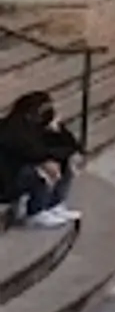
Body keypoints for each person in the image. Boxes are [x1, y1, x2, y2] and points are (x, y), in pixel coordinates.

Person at [1, 92, 80, 231]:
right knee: (41, 169)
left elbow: (72, 147)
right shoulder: (12, 128)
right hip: (6, 183)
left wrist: (59, 131)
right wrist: (47, 160)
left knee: (66, 160)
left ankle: (54, 205)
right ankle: (35, 213)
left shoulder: (37, 127)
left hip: (19, 175)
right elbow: (33, 151)